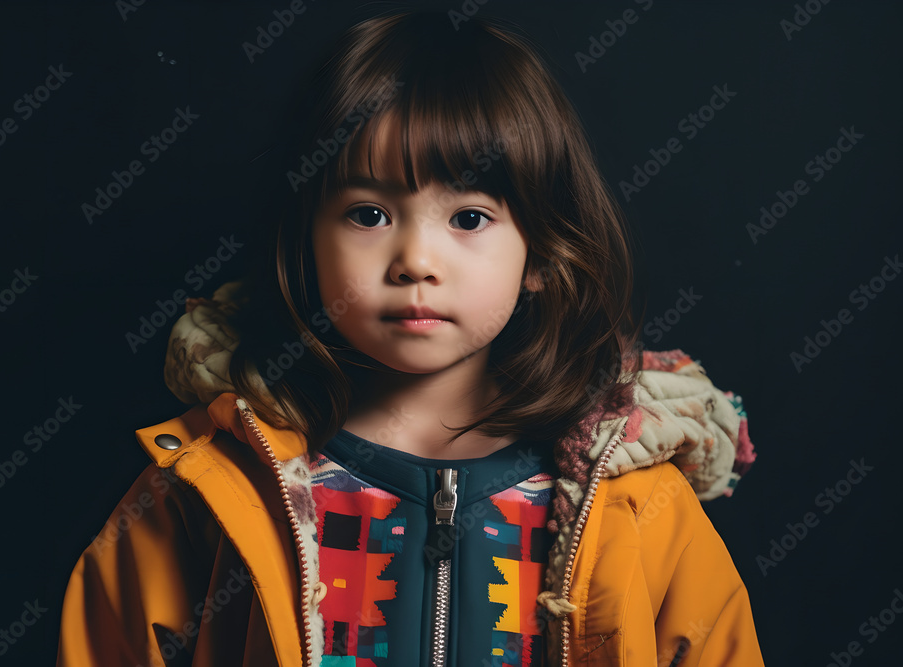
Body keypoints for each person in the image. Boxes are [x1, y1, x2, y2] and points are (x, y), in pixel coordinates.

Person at [55, 10, 764, 667]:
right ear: (306, 245)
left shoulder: (638, 505)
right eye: (368, 213)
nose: (415, 260)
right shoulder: (217, 484)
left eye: (469, 218)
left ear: (544, 256)